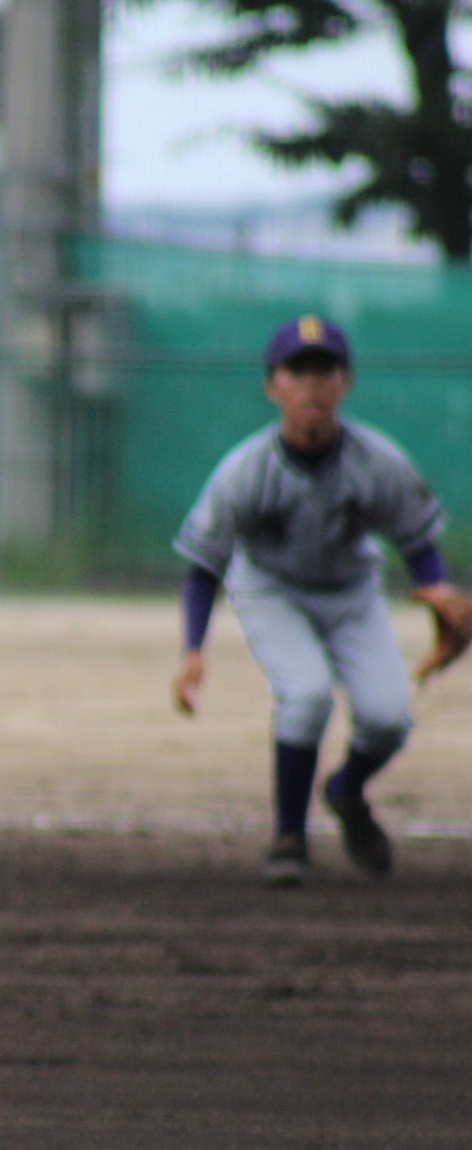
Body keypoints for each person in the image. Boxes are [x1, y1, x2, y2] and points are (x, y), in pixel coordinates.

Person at [170, 314, 469, 886]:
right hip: (271, 591)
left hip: (352, 592)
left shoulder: (377, 460)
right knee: (306, 696)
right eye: (297, 371)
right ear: (272, 385)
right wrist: (192, 650)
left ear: (345, 382)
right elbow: (205, 565)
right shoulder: (245, 470)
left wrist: (438, 597)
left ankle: (346, 789)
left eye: (324, 370)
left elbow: (418, 543)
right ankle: (289, 837)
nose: (312, 384)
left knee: (388, 718)